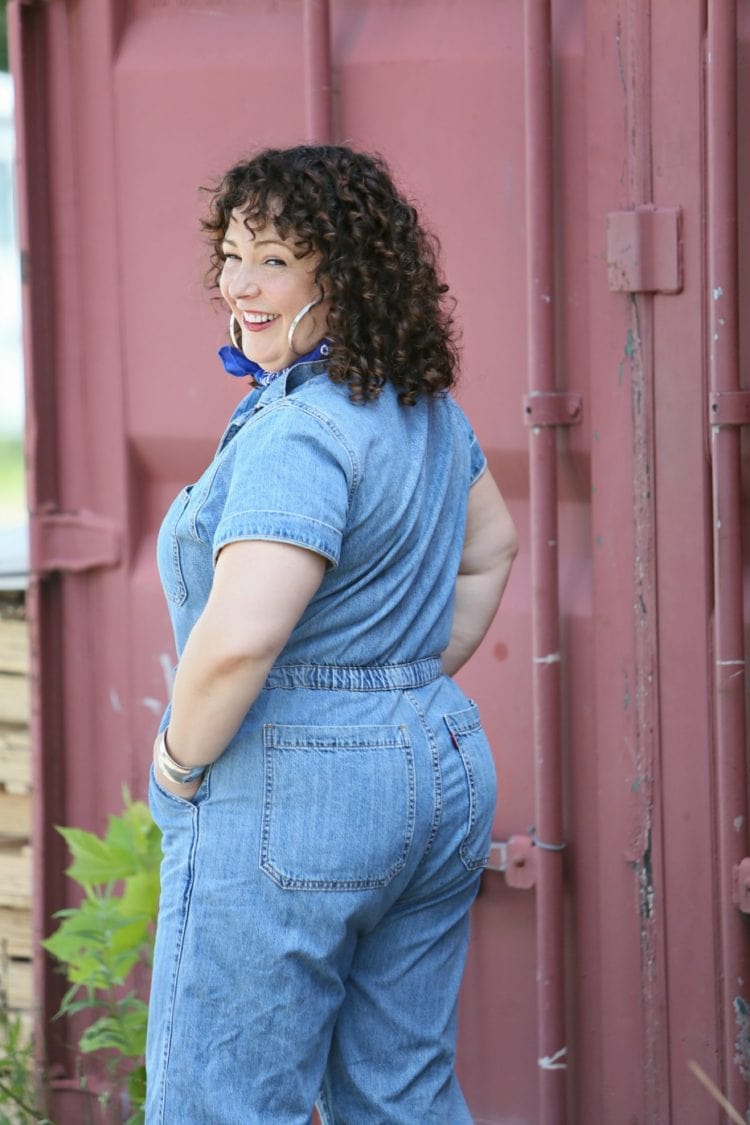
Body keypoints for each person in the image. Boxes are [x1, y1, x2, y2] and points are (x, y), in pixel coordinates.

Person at [146, 144, 518, 1125]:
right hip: (435, 765)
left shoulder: (300, 433)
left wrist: (177, 767)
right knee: (402, 1093)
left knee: (220, 1104)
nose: (237, 284)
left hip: (289, 792)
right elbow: (492, 550)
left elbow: (238, 641)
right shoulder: (427, 410)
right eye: (231, 256)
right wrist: (392, 686)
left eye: (273, 259)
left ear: (342, 275)